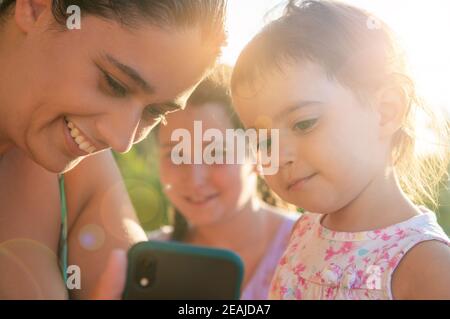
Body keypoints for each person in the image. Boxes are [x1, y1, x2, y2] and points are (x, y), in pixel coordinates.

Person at [0, 0, 227, 299]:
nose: (122, 140)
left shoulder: (73, 162)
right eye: (114, 84)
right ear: (35, 8)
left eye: (154, 112)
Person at [231, 0, 450, 299]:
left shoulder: (427, 265)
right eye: (263, 141)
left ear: (385, 111)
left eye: (304, 123)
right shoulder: (303, 232)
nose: (278, 157)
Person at [152, 66, 298, 299]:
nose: (195, 178)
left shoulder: (310, 247)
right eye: (175, 154)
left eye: (216, 153)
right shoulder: (149, 261)